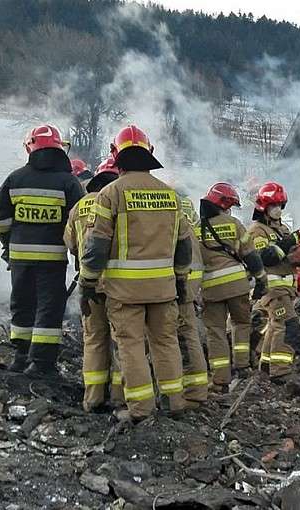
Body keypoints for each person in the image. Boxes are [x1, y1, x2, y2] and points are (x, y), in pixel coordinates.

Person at [80, 125, 192, 421]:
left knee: (131, 347)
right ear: (149, 153)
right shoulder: (171, 196)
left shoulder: (110, 194)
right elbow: (184, 246)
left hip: (124, 292)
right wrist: (181, 279)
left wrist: (87, 282)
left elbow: (96, 246)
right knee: (165, 342)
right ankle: (174, 402)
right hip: (164, 289)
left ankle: (142, 409)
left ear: (116, 156)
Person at [0, 124, 84, 377]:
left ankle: (21, 357)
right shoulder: (68, 182)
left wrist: (8, 240)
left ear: (31, 147)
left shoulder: (16, 178)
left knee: (22, 303)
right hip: (52, 259)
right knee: (49, 307)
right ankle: (41, 364)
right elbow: (82, 220)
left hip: (20, 257)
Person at [64, 157, 123, 410]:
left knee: (95, 339)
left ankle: (93, 397)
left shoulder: (79, 207)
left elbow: (70, 243)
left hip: (90, 285)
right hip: (120, 285)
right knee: (123, 340)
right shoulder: (121, 201)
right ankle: (120, 397)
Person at [198, 182, 267, 390]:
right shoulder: (234, 224)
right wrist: (261, 278)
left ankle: (220, 379)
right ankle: (242, 366)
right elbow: (251, 255)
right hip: (237, 286)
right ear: (223, 204)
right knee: (241, 324)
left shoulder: (196, 229)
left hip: (211, 288)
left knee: (216, 331)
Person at [247, 182, 300, 379]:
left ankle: (267, 367)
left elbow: (289, 254)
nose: (277, 209)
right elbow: (262, 257)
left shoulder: (284, 230)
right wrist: (289, 243)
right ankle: (281, 371)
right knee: (287, 324)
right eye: (273, 205)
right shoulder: (257, 231)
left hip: (286, 288)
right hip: (271, 288)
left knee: (276, 324)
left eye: (280, 205)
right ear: (263, 207)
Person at [176, 195, 209, 404]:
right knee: (187, 337)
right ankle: (194, 392)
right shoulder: (191, 227)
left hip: (173, 290)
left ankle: (190, 395)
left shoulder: (174, 226)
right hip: (188, 288)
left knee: (181, 339)